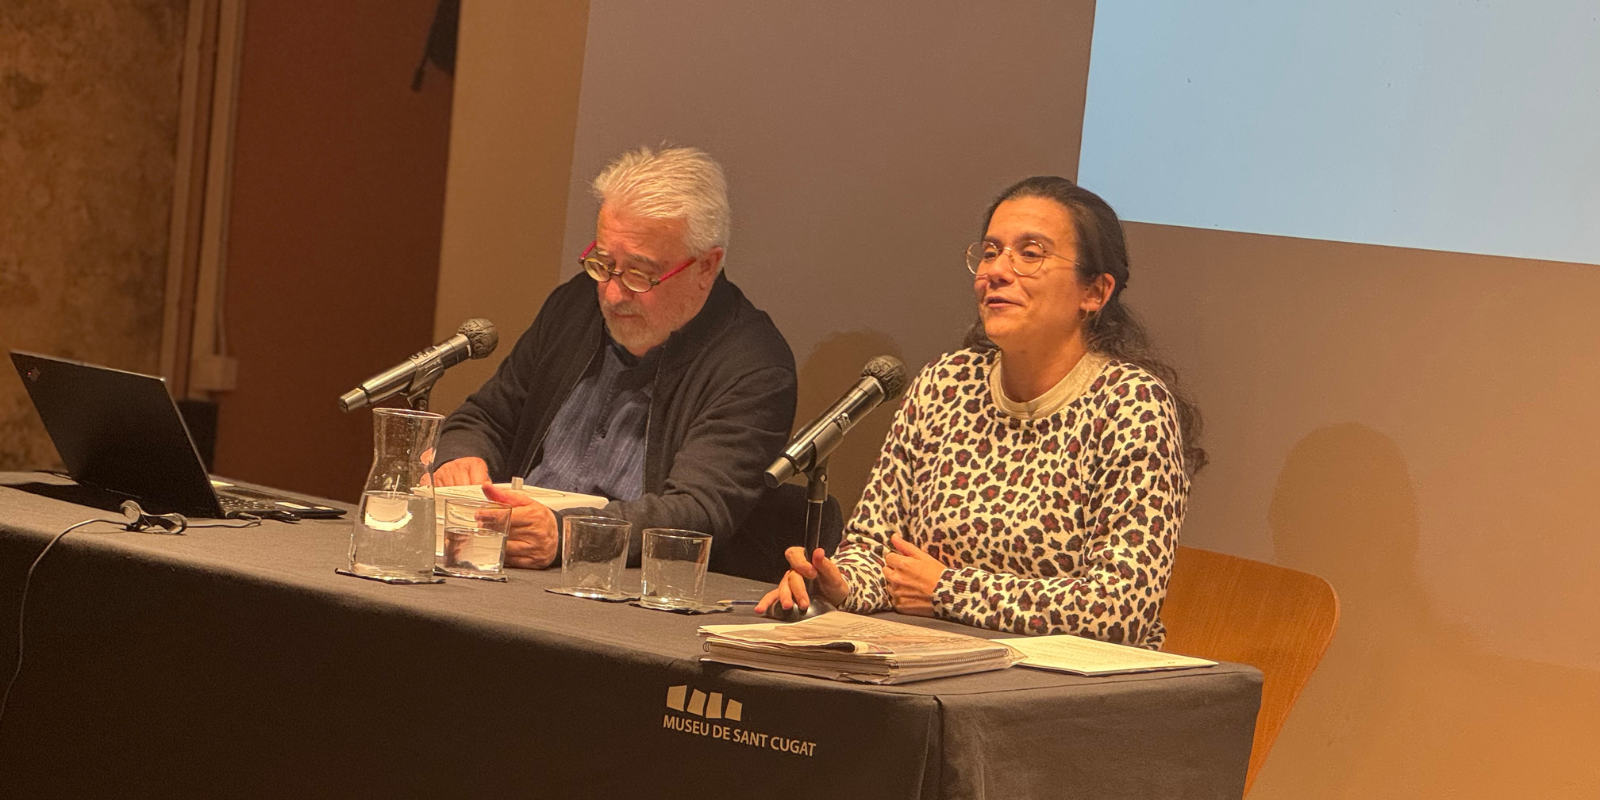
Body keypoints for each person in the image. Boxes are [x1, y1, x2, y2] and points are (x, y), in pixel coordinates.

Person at [756, 176, 1205, 648]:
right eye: (990, 252)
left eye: (1030, 254)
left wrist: (947, 589)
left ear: (1094, 292)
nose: (997, 270)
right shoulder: (945, 384)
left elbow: (1120, 608)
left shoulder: (1131, 405)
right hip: (932, 660)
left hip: (1072, 690)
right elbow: (873, 548)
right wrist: (839, 584)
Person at [433, 146, 797, 570]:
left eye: (640, 274)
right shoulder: (575, 306)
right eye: (603, 263)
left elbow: (696, 513)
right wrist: (461, 457)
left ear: (706, 267)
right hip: (509, 561)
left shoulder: (753, 368)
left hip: (622, 588)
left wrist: (566, 534)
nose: (612, 292)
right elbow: (486, 417)